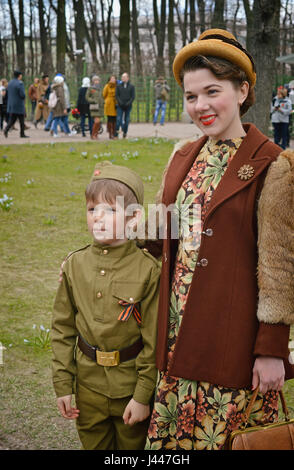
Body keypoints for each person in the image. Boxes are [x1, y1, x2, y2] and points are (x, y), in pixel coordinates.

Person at [144, 28, 294, 450]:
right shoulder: (182, 156)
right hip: (177, 336)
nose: (201, 106)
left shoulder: (273, 165)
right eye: (191, 96)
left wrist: (271, 350)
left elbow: (280, 265)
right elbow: (163, 234)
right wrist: (117, 228)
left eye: (212, 91)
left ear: (242, 89)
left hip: (232, 342)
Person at [51, 161, 161, 450]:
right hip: (87, 387)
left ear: (134, 217)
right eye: (91, 209)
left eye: (110, 210)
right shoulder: (75, 265)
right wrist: (63, 384)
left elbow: (153, 341)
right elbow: (62, 328)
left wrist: (142, 395)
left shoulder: (148, 271)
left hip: (129, 388)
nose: (98, 218)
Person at [4, 70, 28, 138]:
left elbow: (7, 93)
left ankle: (6, 129)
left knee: (12, 119)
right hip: (19, 104)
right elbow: (22, 95)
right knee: (21, 120)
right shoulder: (20, 83)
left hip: (11, 104)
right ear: (19, 75)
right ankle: (22, 134)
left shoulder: (10, 83)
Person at [115, 72, 135, 139]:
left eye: (124, 77)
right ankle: (116, 134)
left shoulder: (131, 86)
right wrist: (120, 102)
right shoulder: (118, 86)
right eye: (122, 77)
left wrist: (128, 103)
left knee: (127, 120)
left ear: (128, 78)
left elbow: (133, 97)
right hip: (120, 105)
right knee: (118, 120)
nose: (123, 78)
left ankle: (125, 133)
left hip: (128, 106)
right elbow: (117, 95)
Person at [86, 75, 104, 140]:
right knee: (96, 121)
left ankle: (96, 134)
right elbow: (87, 97)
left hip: (100, 107)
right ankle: (93, 134)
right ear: (93, 81)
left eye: (98, 80)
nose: (97, 81)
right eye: (95, 80)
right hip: (94, 107)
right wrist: (93, 100)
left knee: (98, 122)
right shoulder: (90, 88)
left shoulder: (100, 89)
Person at [103, 75, 117, 139]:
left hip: (115, 103)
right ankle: (110, 133)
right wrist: (107, 101)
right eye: (111, 78)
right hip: (109, 103)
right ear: (109, 79)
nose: (113, 80)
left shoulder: (117, 86)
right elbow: (104, 95)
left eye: (114, 78)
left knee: (115, 119)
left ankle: (114, 133)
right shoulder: (107, 86)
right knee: (110, 118)